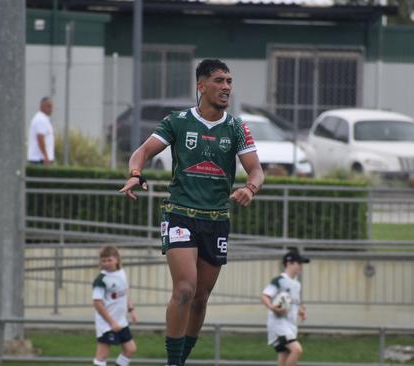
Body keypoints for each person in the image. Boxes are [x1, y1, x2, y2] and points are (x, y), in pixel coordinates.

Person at [119, 59, 264, 366]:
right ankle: (173, 362)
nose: (226, 87)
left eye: (229, 81)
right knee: (184, 289)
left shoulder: (236, 127)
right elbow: (143, 151)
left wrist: (250, 188)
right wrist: (135, 172)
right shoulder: (178, 121)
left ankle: (182, 358)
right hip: (180, 215)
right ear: (201, 86)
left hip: (215, 221)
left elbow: (256, 171)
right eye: (219, 81)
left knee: (200, 299)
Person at [260, 251, 309, 366]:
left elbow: (293, 301)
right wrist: (273, 307)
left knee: (284, 356)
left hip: (291, 325)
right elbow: (264, 296)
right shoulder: (279, 280)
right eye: (299, 263)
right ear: (289, 263)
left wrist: (301, 311)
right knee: (297, 350)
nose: (301, 266)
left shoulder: (296, 284)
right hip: (279, 325)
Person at [92, 246, 137, 366]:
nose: (106, 263)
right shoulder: (101, 280)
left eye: (109, 260)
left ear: (117, 259)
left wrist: (131, 310)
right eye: (103, 260)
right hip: (106, 324)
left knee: (130, 349)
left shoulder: (122, 273)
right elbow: (97, 303)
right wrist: (111, 322)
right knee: (102, 356)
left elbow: (124, 293)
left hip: (121, 321)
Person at [27, 96, 55, 165]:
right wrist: (45, 156)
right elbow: (40, 137)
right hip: (39, 159)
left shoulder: (43, 119)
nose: (51, 109)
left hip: (41, 159)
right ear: (41, 107)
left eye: (51, 107)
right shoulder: (41, 119)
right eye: (48, 106)